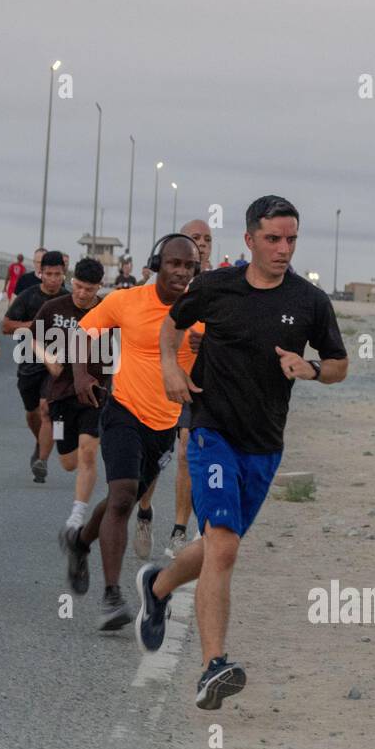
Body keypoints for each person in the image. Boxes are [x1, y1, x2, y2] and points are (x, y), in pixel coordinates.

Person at [136, 195, 349, 710]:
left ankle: (157, 587)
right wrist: (170, 367)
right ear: (250, 239)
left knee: (217, 546)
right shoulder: (214, 286)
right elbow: (173, 326)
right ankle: (214, 667)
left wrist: (312, 369)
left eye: (291, 239)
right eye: (273, 239)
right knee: (225, 546)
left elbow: (340, 363)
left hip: (264, 444)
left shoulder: (309, 302)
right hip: (211, 432)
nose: (283, 249)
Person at [59, 235, 200, 631]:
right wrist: (84, 375)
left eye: (189, 266)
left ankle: (80, 542)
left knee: (122, 498)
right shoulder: (126, 301)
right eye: (174, 263)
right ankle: (111, 597)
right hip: (123, 411)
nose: (182, 272)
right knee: (122, 497)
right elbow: (81, 335)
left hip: (166, 424)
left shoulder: (201, 311)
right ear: (157, 263)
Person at [135, 219, 212, 560]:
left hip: (201, 385)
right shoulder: (166, 284)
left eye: (207, 239)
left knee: (186, 454)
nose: (202, 243)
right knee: (157, 456)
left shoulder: (218, 285)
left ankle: (181, 529)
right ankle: (145, 509)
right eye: (195, 238)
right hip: (160, 381)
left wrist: (208, 343)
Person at [35, 258, 107, 529]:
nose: (81, 294)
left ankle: (77, 515)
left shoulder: (106, 310)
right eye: (78, 287)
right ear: (72, 282)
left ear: (98, 287)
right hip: (60, 394)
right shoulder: (54, 308)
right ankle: (61, 445)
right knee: (67, 462)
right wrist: (47, 359)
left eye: (89, 290)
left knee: (88, 451)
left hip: (94, 393)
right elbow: (33, 337)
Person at [3, 251, 68, 482]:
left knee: (46, 408)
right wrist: (34, 325)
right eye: (48, 274)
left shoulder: (68, 299)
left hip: (57, 366)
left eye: (57, 274)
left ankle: (42, 460)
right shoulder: (29, 297)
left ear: (64, 274)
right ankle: (41, 442)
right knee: (32, 413)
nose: (53, 279)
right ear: (41, 274)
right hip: (29, 364)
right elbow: (6, 326)